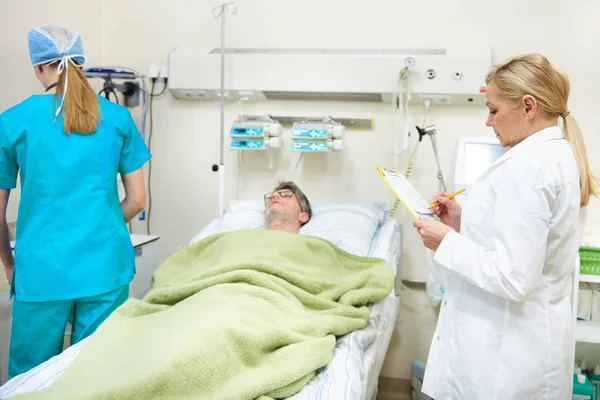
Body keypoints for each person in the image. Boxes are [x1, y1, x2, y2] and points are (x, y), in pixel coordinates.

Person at [413, 54, 596, 399]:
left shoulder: (528, 167)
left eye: (494, 110)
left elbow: (514, 277)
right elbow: (527, 245)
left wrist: (446, 242)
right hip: (524, 344)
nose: (487, 121)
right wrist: (462, 222)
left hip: (503, 355)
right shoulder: (554, 156)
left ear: (528, 106)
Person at [0, 25, 151, 379]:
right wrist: (103, 221)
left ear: (39, 67)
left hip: (41, 271)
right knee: (96, 374)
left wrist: (9, 262)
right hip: (105, 268)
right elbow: (138, 200)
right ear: (81, 63)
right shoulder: (116, 117)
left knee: (30, 379)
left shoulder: (12, 121)